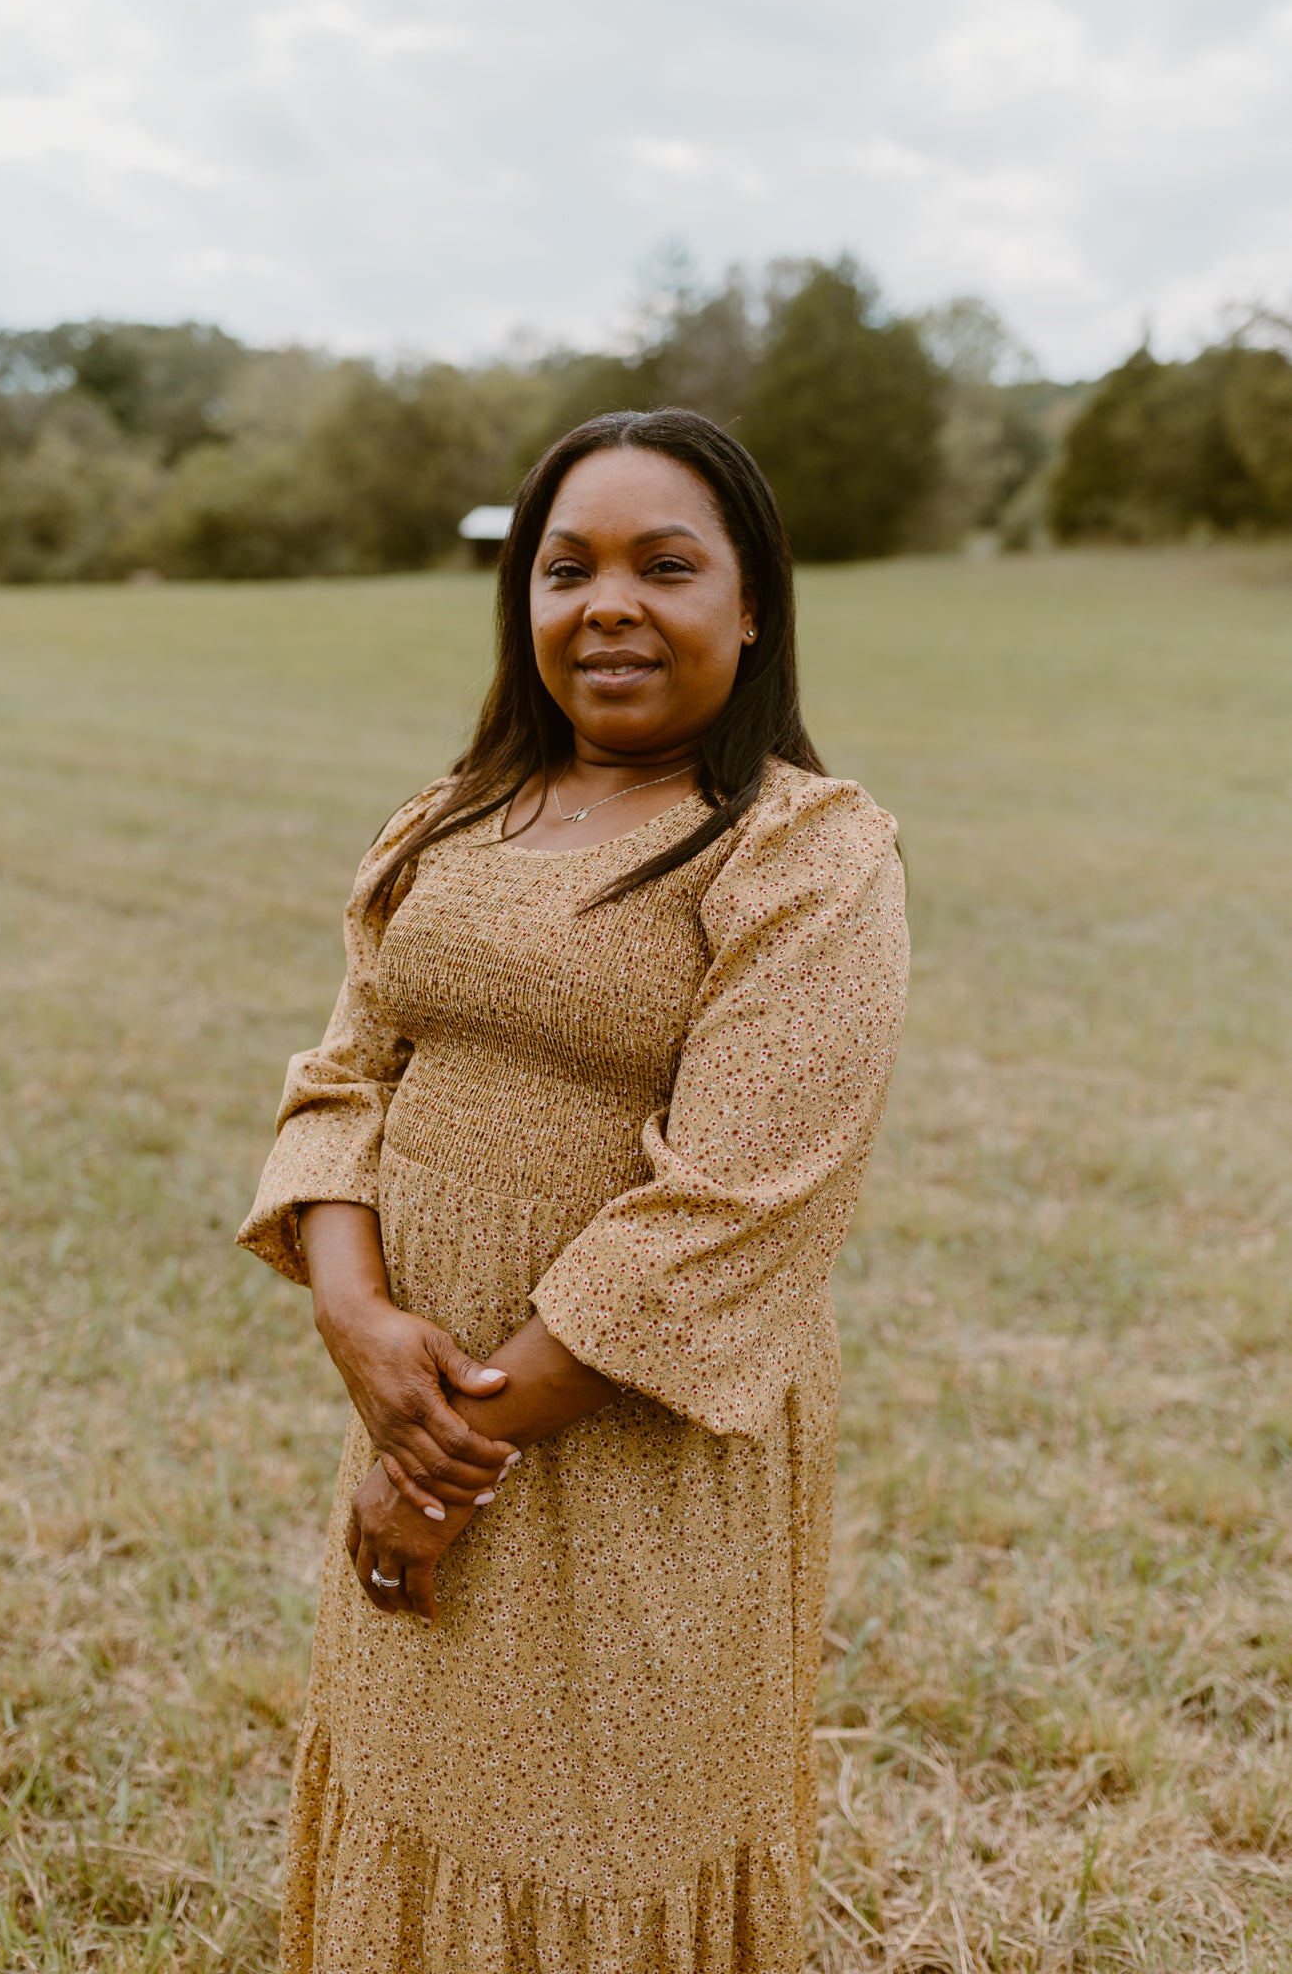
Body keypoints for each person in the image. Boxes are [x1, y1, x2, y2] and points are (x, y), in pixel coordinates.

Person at [238, 408, 909, 1974]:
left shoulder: (803, 851)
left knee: (606, 1830)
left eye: (664, 566)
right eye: (565, 568)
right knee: (418, 1781)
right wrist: (353, 1318)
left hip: (622, 1445)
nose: (606, 604)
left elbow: (733, 1207)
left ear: (754, 605)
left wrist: (433, 1465)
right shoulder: (457, 812)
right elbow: (346, 1071)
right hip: (417, 1391)